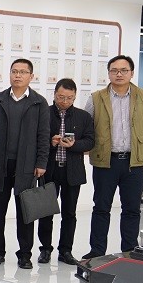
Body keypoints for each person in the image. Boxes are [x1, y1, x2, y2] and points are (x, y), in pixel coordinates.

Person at [84, 54, 143, 260]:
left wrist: (137, 143)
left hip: (133, 161)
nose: (119, 74)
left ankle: (130, 250)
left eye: (124, 70)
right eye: (114, 70)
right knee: (101, 208)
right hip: (106, 161)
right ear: (109, 74)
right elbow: (88, 125)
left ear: (131, 73)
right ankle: (97, 251)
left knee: (132, 209)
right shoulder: (96, 98)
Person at [0, 59, 49, 269]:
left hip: (26, 166)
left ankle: (25, 254)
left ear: (31, 76)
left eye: (23, 72)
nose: (18, 75)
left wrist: (41, 162)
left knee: (25, 213)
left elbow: (43, 135)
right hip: (0, 165)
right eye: (14, 71)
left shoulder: (39, 103)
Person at [37, 79, 94, 265]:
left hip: (72, 171)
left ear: (75, 97)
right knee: (46, 212)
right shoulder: (43, 113)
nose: (65, 101)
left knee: (69, 213)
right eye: (61, 97)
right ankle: (45, 249)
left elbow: (90, 141)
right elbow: (35, 139)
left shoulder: (83, 116)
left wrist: (74, 145)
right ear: (54, 94)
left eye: (70, 98)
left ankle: (66, 251)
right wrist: (50, 142)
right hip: (49, 170)